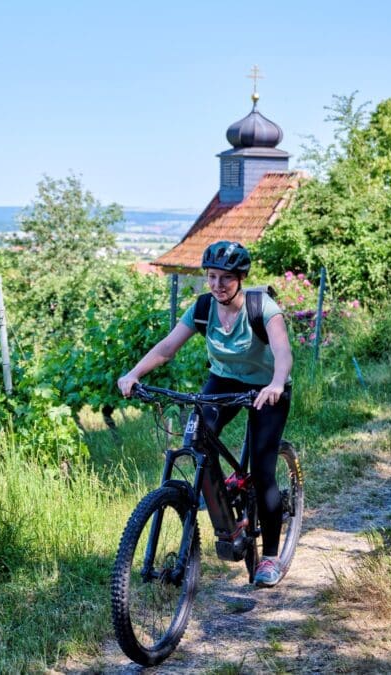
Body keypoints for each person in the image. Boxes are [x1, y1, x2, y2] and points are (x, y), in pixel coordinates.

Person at [118, 240, 294, 587]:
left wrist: (275, 384)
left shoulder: (263, 308)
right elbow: (168, 347)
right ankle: (222, 502)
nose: (217, 285)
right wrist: (134, 373)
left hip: (267, 389)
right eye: (211, 277)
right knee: (196, 437)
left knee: (262, 470)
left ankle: (270, 557)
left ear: (241, 278)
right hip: (224, 381)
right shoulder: (202, 308)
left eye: (226, 278)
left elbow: (283, 351)